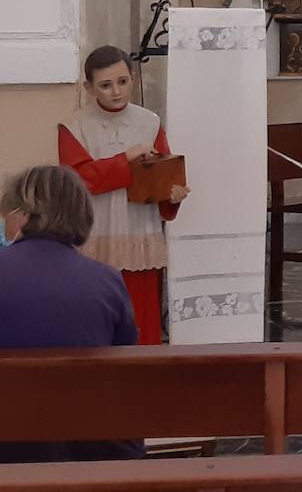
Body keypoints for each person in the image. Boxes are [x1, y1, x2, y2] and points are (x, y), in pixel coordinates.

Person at [0, 165, 142, 463]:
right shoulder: (107, 279)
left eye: (6, 214)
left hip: (9, 445)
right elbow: (125, 362)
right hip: (90, 447)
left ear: (24, 214)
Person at [57, 45, 189, 344]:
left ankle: (144, 384)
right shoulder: (74, 127)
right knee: (95, 322)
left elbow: (161, 174)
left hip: (138, 235)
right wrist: (126, 160)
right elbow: (77, 179)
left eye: (122, 81)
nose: (116, 91)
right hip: (94, 235)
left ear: (132, 77)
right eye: (105, 85)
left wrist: (172, 195)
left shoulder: (149, 122)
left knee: (140, 321)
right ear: (90, 88)